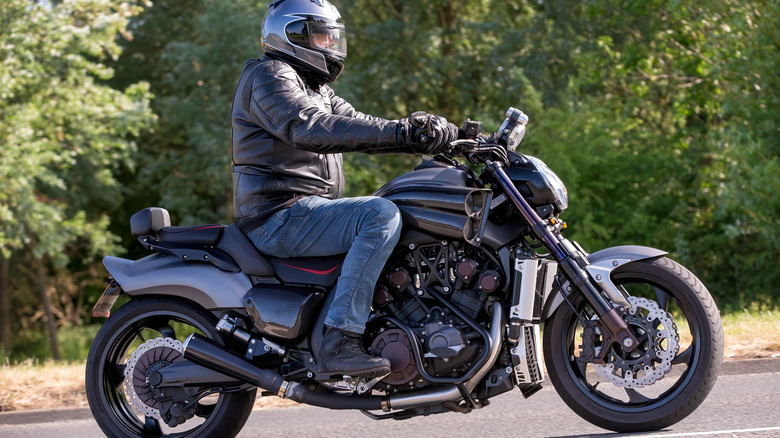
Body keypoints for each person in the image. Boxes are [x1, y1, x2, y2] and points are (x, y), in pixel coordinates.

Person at [230, 0, 458, 378]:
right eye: (322, 36)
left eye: (333, 37)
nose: (330, 45)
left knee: (401, 205)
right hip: (278, 216)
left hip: (308, 212)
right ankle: (340, 340)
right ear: (292, 35)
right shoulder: (269, 75)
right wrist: (404, 132)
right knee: (379, 214)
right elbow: (310, 127)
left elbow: (361, 124)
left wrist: (439, 136)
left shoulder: (315, 87)